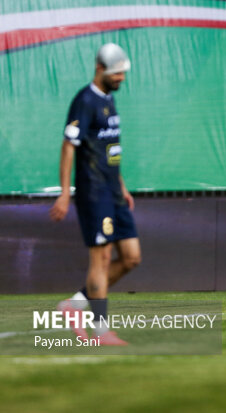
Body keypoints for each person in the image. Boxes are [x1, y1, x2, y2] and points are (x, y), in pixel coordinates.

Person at [50, 43, 140, 346]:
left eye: (123, 74)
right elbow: (68, 146)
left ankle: (74, 305)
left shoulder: (109, 100)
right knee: (101, 258)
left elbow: (110, 149)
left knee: (131, 258)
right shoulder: (84, 101)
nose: (121, 79)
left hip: (114, 192)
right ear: (99, 68)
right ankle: (101, 331)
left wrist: (123, 186)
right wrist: (65, 192)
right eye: (117, 74)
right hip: (93, 192)